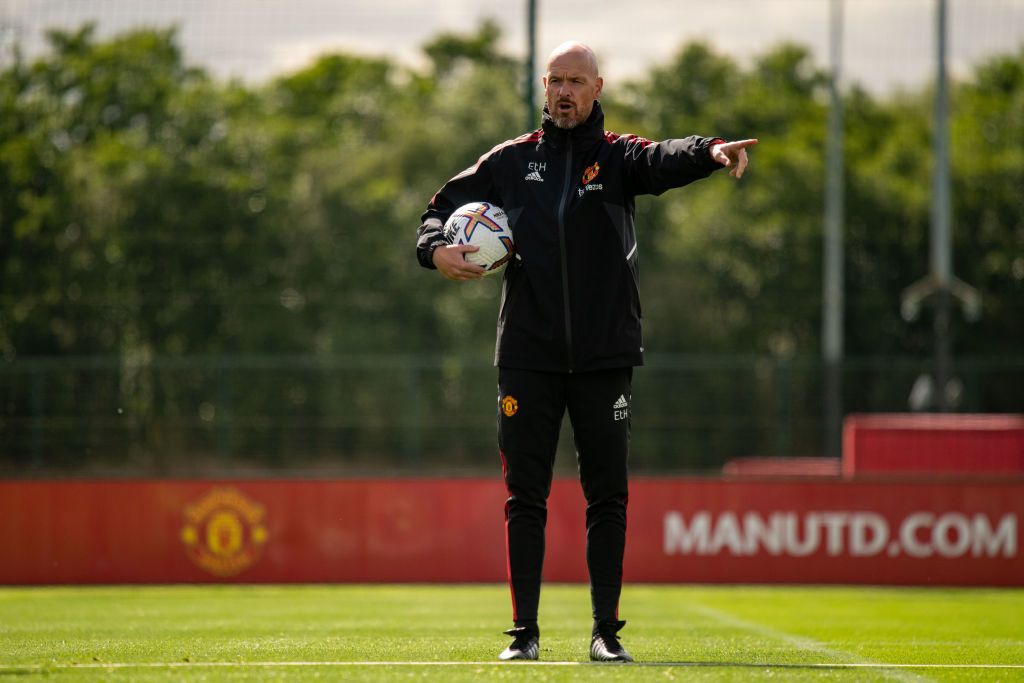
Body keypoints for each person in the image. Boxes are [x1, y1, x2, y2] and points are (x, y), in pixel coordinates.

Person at [416, 41, 756, 663]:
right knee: (525, 497)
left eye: (576, 80)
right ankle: (525, 636)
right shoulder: (510, 163)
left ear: (598, 88)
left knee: (608, 497)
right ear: (543, 89)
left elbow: (664, 158)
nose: (564, 92)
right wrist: (435, 248)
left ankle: (605, 633)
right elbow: (437, 208)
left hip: (605, 356)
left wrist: (709, 152)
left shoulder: (618, 158)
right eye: (555, 81)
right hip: (527, 354)